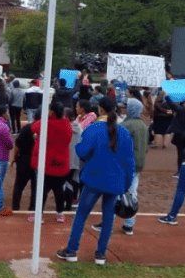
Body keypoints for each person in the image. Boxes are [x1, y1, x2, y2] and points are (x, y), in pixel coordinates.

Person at [57, 96, 135, 266]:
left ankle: (71, 250)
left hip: (94, 178)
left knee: (82, 215)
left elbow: (82, 152)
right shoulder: (124, 133)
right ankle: (100, 255)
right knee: (108, 219)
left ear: (100, 110)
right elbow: (130, 163)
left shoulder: (95, 129)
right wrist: (126, 185)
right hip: (115, 182)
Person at [100, 98, 148, 236]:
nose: (124, 109)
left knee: (115, 193)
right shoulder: (143, 125)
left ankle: (108, 222)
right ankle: (128, 225)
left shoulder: (127, 125)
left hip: (125, 164)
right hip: (138, 164)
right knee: (131, 193)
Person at [29, 101, 73, 223]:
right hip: (61, 163)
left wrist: (46, 117)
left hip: (46, 163)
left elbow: (34, 127)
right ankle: (60, 214)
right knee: (59, 191)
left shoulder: (46, 124)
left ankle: (39, 215)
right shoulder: (67, 125)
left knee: (42, 191)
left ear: (51, 112)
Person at [11, 113, 37, 211]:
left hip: (23, 161)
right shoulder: (44, 129)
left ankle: (15, 207)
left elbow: (17, 145)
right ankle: (33, 208)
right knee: (36, 187)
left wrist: (14, 158)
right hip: (36, 162)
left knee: (19, 185)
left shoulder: (27, 128)